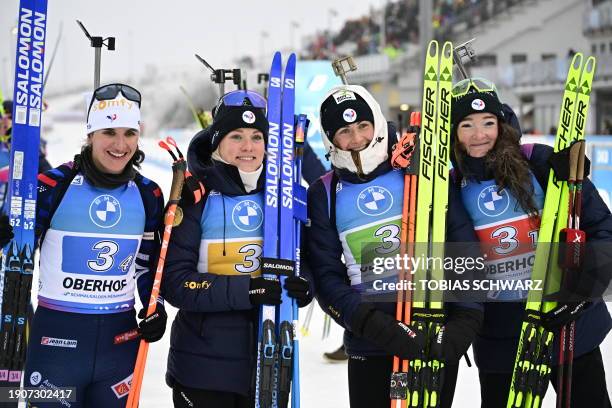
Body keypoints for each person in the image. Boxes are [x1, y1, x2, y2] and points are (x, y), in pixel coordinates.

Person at [306, 84, 484, 408]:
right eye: (344, 131)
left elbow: (464, 247)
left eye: (363, 125)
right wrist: (368, 322)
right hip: (369, 342)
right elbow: (326, 275)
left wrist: (465, 320)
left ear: (376, 121)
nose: (357, 138)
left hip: (432, 333)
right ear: (331, 139)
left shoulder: (417, 170)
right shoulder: (325, 192)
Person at [0, 84, 168, 407]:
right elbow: (19, 252)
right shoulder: (53, 186)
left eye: (129, 133)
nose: (121, 144)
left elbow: (147, 266)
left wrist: (154, 308)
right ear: (90, 134)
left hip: (118, 347)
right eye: (109, 132)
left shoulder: (149, 195)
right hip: (55, 348)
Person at [449, 77, 612, 407]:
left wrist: (581, 293)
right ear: (453, 133)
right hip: (500, 334)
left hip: (567, 322)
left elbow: (602, 229)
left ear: (502, 122)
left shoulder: (538, 161)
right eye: (466, 125)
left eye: (488, 123)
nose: (479, 135)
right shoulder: (449, 186)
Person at [161, 89, 313, 408]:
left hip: (270, 360)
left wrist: (304, 285)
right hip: (203, 369)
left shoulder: (283, 197)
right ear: (217, 141)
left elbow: (302, 259)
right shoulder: (194, 196)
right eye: (236, 136)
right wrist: (248, 290)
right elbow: (175, 283)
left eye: (257, 136)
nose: (248, 147)